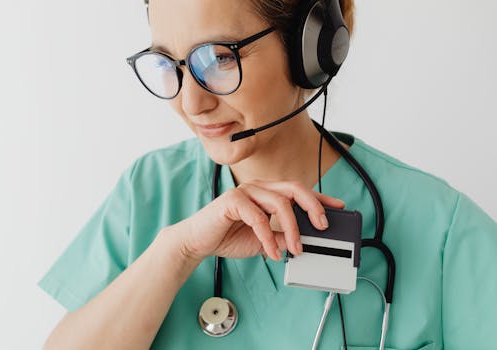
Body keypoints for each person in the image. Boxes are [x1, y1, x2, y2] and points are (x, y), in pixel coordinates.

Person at [38, 0, 497, 349]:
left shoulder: (445, 230)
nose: (190, 103)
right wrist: (177, 252)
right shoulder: (150, 190)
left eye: (218, 58)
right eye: (168, 64)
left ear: (313, 48)